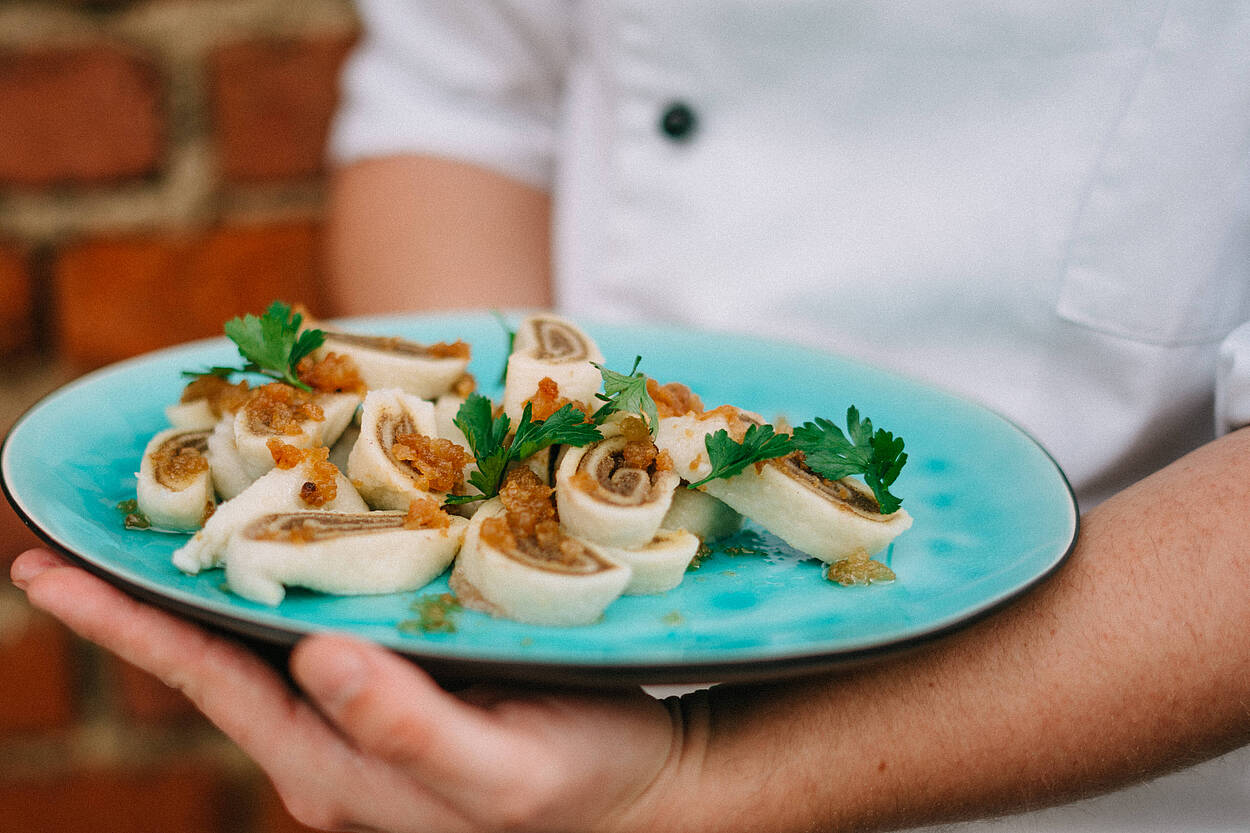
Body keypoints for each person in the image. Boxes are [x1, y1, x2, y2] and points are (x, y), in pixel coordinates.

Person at [12, 2, 1250, 831]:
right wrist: (474, 567)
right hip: (565, 676)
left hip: (1105, 743)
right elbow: (460, 98)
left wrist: (713, 778)